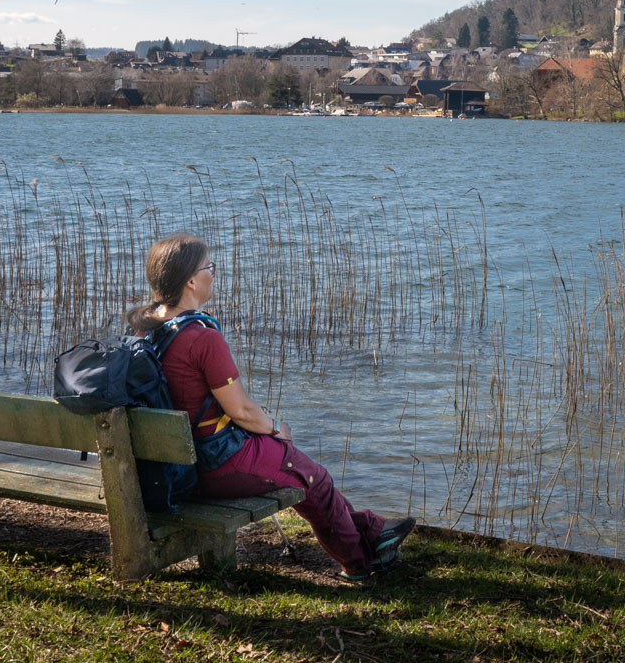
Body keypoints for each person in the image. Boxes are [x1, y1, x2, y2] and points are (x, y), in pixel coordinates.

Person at [132, 233, 415, 581]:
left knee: (304, 472)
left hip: (173, 467)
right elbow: (242, 412)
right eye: (210, 267)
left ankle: (373, 530)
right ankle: (361, 562)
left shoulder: (147, 330)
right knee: (314, 478)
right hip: (213, 465)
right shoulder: (203, 338)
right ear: (190, 280)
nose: (213, 274)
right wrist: (275, 428)